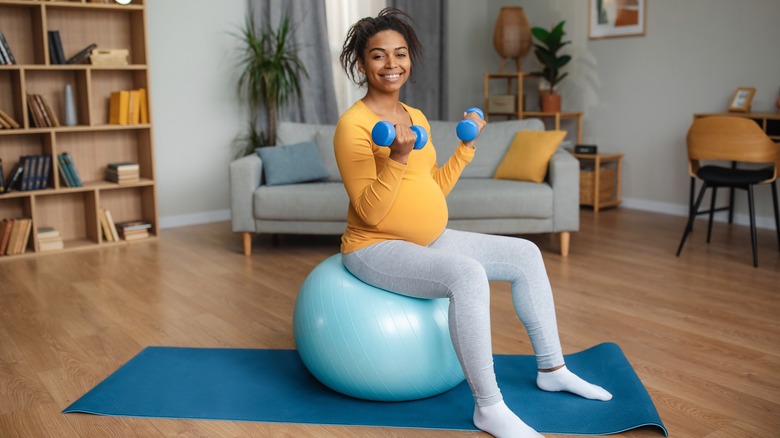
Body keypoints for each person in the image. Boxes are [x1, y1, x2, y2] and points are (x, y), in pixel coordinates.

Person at [333, 8, 612, 438]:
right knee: (466, 275)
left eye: (400, 54)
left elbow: (432, 189)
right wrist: (398, 160)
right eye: (378, 55)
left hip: (430, 239)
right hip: (374, 247)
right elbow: (371, 212)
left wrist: (465, 148)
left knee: (525, 253)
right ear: (361, 62)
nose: (392, 64)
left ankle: (552, 368)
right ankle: (489, 407)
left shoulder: (416, 116)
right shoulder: (353, 126)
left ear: (411, 59)